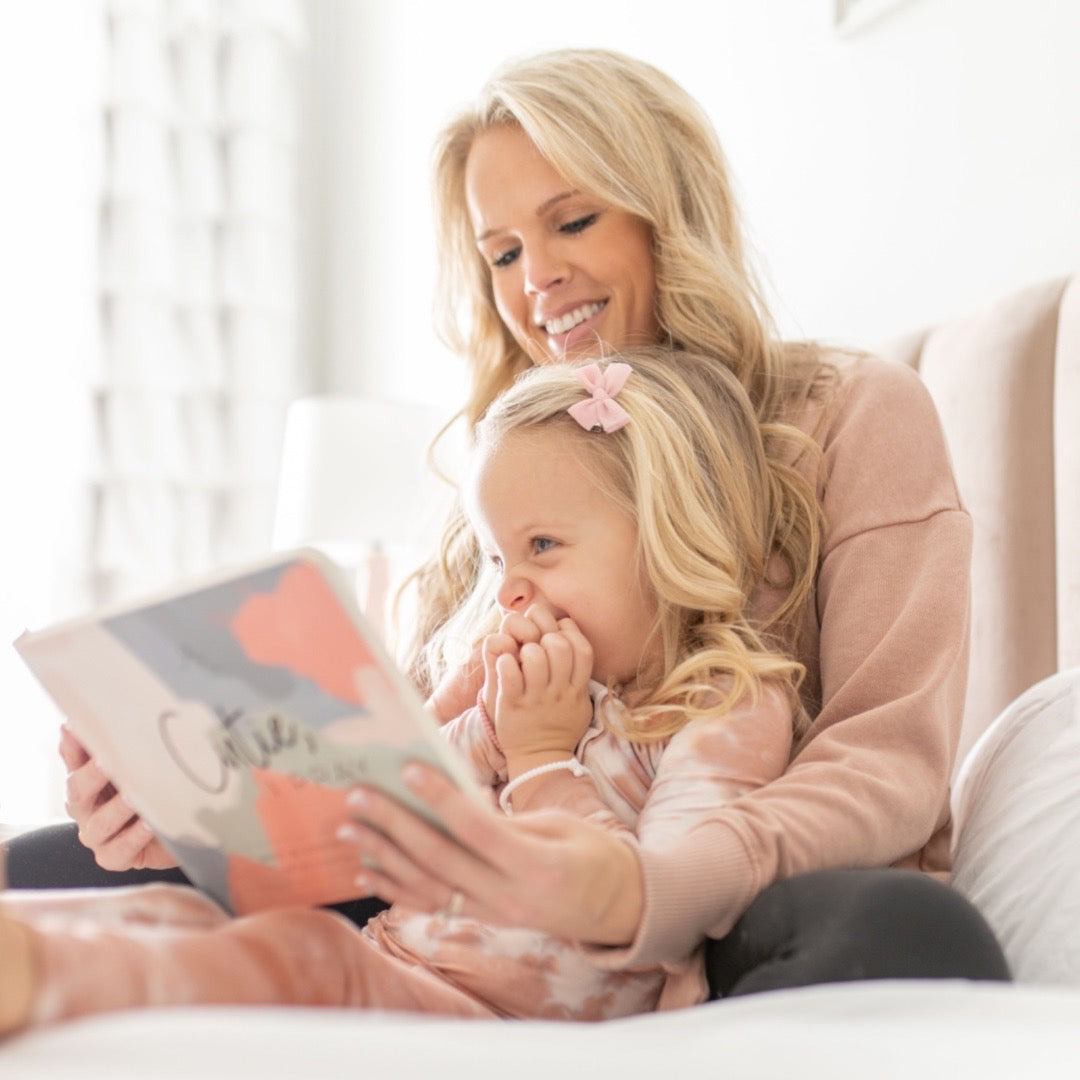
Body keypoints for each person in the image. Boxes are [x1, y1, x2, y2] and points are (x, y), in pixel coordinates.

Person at [7, 47, 1009, 993]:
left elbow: (884, 761)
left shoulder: (847, 413)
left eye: (573, 224)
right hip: (483, 901)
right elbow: (395, 782)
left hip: (738, 885)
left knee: (911, 932)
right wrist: (195, 818)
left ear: (671, 214)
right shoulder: (500, 487)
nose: (537, 282)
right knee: (37, 874)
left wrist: (647, 885)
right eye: (502, 252)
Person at [5, 348, 817, 1031]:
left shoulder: (724, 703)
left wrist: (541, 759)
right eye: (500, 560)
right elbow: (391, 805)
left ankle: (41, 977)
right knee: (196, 919)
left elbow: (656, 914)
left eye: (543, 545)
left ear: (673, 536)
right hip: (400, 965)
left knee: (303, 958)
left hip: (499, 1024)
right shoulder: (519, 690)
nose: (510, 591)